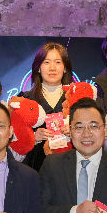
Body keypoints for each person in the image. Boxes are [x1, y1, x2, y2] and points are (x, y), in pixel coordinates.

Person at [18, 42, 74, 171]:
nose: (52, 68)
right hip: (34, 169)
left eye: (58, 62)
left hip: (69, 169)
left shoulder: (76, 99)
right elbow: (13, 139)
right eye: (46, 62)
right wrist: (33, 137)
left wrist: (75, 131)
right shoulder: (24, 99)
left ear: (65, 68)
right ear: (38, 67)